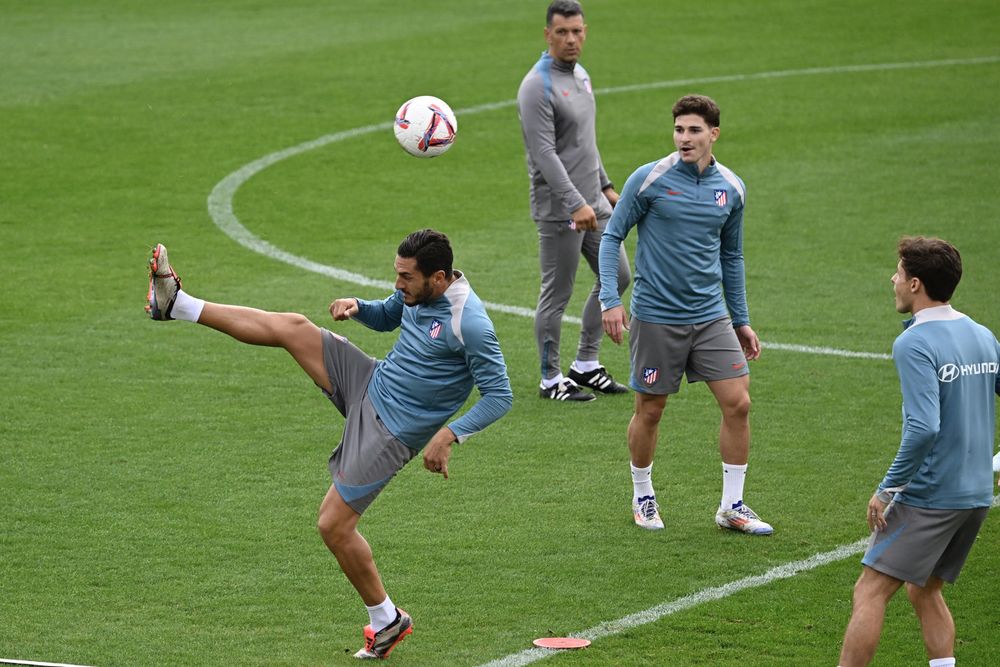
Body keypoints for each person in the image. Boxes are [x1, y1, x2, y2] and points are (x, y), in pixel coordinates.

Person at [145, 229, 513, 660]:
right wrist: (360, 308)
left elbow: (500, 395)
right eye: (397, 274)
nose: (398, 284)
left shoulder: (468, 322)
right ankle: (177, 305)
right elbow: (390, 313)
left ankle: (387, 620)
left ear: (439, 277)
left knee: (333, 526)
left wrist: (449, 435)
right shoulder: (417, 294)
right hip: (370, 380)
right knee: (293, 327)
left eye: (406, 278)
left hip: (390, 432)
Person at [598, 94, 772, 535]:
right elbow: (611, 235)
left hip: (711, 317)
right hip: (657, 316)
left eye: (694, 130)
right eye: (679, 129)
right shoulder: (649, 179)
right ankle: (643, 495)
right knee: (651, 410)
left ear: (714, 133)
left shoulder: (731, 188)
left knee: (739, 402)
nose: (684, 138)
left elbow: (732, 257)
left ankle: (732, 505)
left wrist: (741, 318)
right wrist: (610, 299)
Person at [837, 237, 999, 667]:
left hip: (931, 494)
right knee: (924, 588)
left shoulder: (915, 343)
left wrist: (889, 487)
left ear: (914, 284)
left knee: (870, 590)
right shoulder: (982, 335)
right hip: (977, 493)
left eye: (897, 272)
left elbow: (924, 427)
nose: (891, 280)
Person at [517, 0, 631, 402]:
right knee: (557, 293)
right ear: (547, 34)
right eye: (562, 32)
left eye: (577, 31)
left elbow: (585, 142)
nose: (571, 39)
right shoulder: (537, 86)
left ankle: (585, 364)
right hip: (560, 209)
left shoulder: (580, 75)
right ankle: (550, 379)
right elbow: (545, 153)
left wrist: (605, 187)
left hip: (592, 203)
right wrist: (574, 203)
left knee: (617, 276)